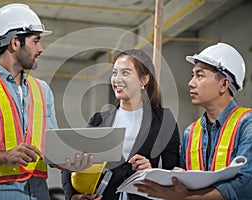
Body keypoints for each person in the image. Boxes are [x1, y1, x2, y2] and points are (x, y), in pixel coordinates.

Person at [0, 4, 92, 200]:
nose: (41, 49)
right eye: (36, 41)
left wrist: (73, 163)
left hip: (39, 194)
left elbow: (50, 151)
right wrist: (5, 156)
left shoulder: (42, 90)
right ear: (15, 42)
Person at [134, 43, 252, 200]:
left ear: (224, 84)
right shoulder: (191, 132)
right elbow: (185, 182)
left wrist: (186, 197)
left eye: (200, 75)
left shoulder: (246, 124)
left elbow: (245, 184)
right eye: (193, 75)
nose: (191, 83)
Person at [61, 49, 180, 200]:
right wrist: (73, 196)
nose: (117, 79)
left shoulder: (164, 120)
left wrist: (152, 172)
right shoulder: (99, 120)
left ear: (144, 80)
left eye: (125, 73)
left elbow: (175, 174)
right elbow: (69, 161)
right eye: (114, 73)